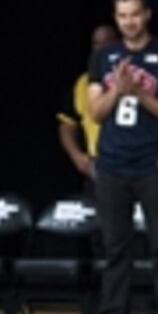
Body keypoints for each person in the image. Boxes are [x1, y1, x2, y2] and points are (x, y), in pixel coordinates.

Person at [74, 0, 158, 314]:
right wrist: (117, 90)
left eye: (134, 15)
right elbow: (95, 112)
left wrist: (139, 95)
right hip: (112, 165)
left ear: (147, 14)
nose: (129, 23)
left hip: (153, 164)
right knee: (115, 249)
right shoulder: (103, 58)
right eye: (122, 16)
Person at [57, 23, 119, 192]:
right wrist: (77, 155)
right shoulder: (83, 83)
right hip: (97, 166)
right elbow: (67, 123)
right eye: (97, 43)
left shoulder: (137, 79)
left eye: (107, 43)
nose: (101, 48)